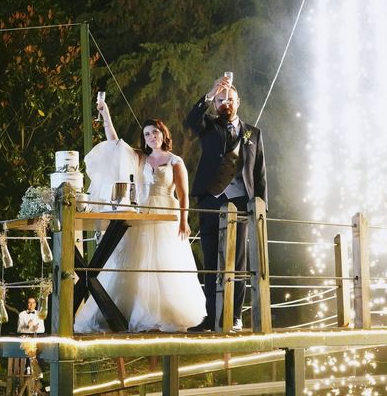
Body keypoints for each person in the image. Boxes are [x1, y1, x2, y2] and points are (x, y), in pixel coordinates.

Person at [74, 101, 206, 333]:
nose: (151, 136)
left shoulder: (176, 161)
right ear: (143, 139)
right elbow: (115, 143)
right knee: (136, 260)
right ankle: (127, 312)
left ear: (163, 134)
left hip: (166, 212)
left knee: (163, 262)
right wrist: (106, 113)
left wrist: (184, 221)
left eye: (154, 132)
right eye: (146, 134)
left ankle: (160, 315)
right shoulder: (140, 159)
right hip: (142, 213)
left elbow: (183, 195)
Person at [184, 75, 267, 332]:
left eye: (229, 99)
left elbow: (260, 173)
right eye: (220, 100)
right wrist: (209, 94)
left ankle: (235, 316)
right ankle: (212, 317)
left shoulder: (253, 133)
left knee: (237, 261)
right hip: (211, 199)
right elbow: (189, 123)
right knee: (211, 261)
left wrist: (261, 209)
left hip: (241, 202)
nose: (225, 103)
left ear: (238, 102)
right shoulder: (208, 126)